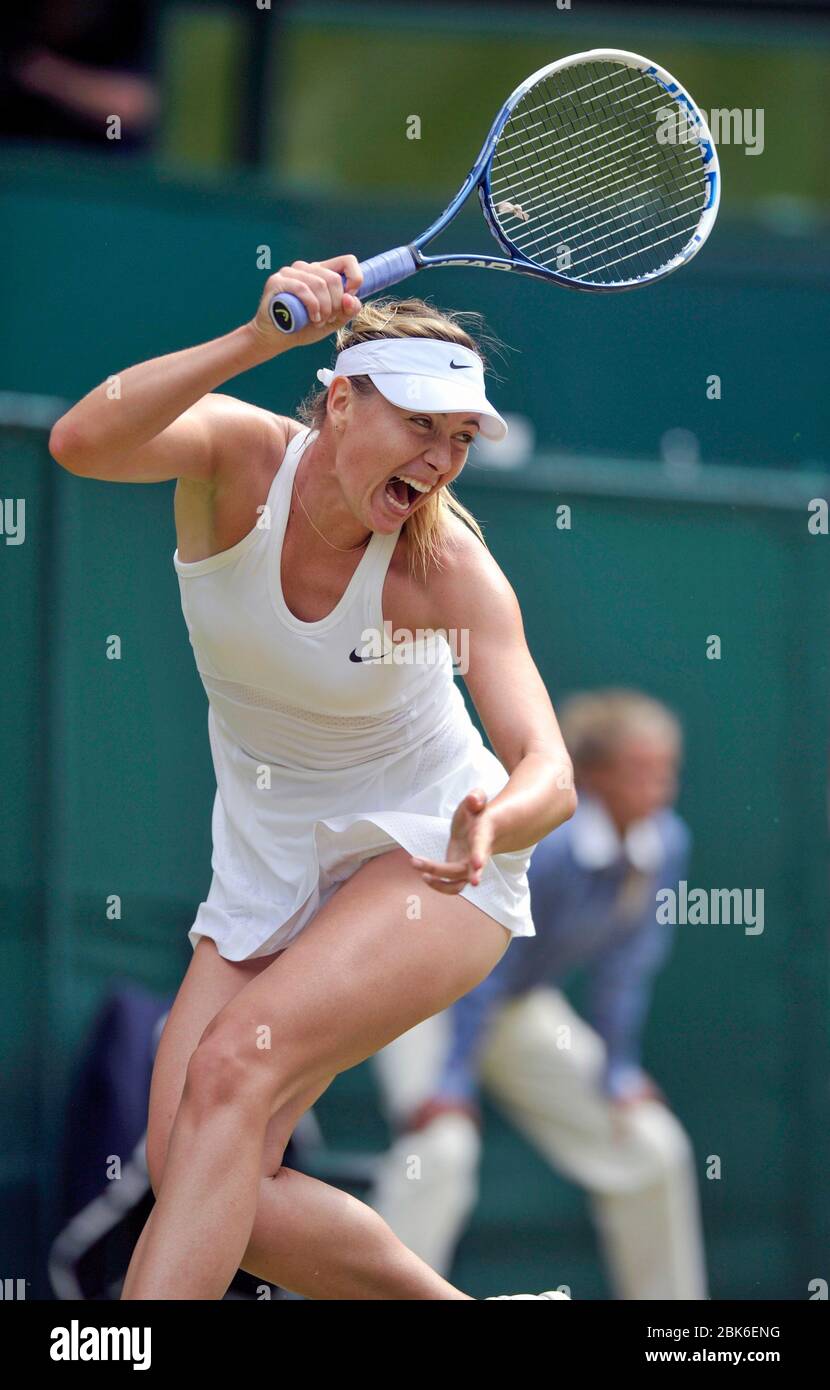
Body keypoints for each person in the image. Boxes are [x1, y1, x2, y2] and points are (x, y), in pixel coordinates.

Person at [49, 255, 577, 1300]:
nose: (440, 457)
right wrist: (257, 338)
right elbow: (80, 440)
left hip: (430, 853)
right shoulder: (238, 460)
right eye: (420, 424)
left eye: (460, 437)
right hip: (265, 862)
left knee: (233, 1074)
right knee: (195, 1165)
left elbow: (547, 769)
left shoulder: (447, 568)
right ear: (340, 399)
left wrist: (492, 822)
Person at [370, 689, 709, 1299]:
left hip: (521, 1009)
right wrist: (451, 1084)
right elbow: (483, 972)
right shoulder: (551, 847)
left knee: (653, 1148)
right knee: (441, 1152)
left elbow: (625, 971)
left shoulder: (667, 845)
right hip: (433, 1000)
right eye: (641, 772)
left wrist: (619, 1071)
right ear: (598, 774)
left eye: (667, 771)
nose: (661, 788)